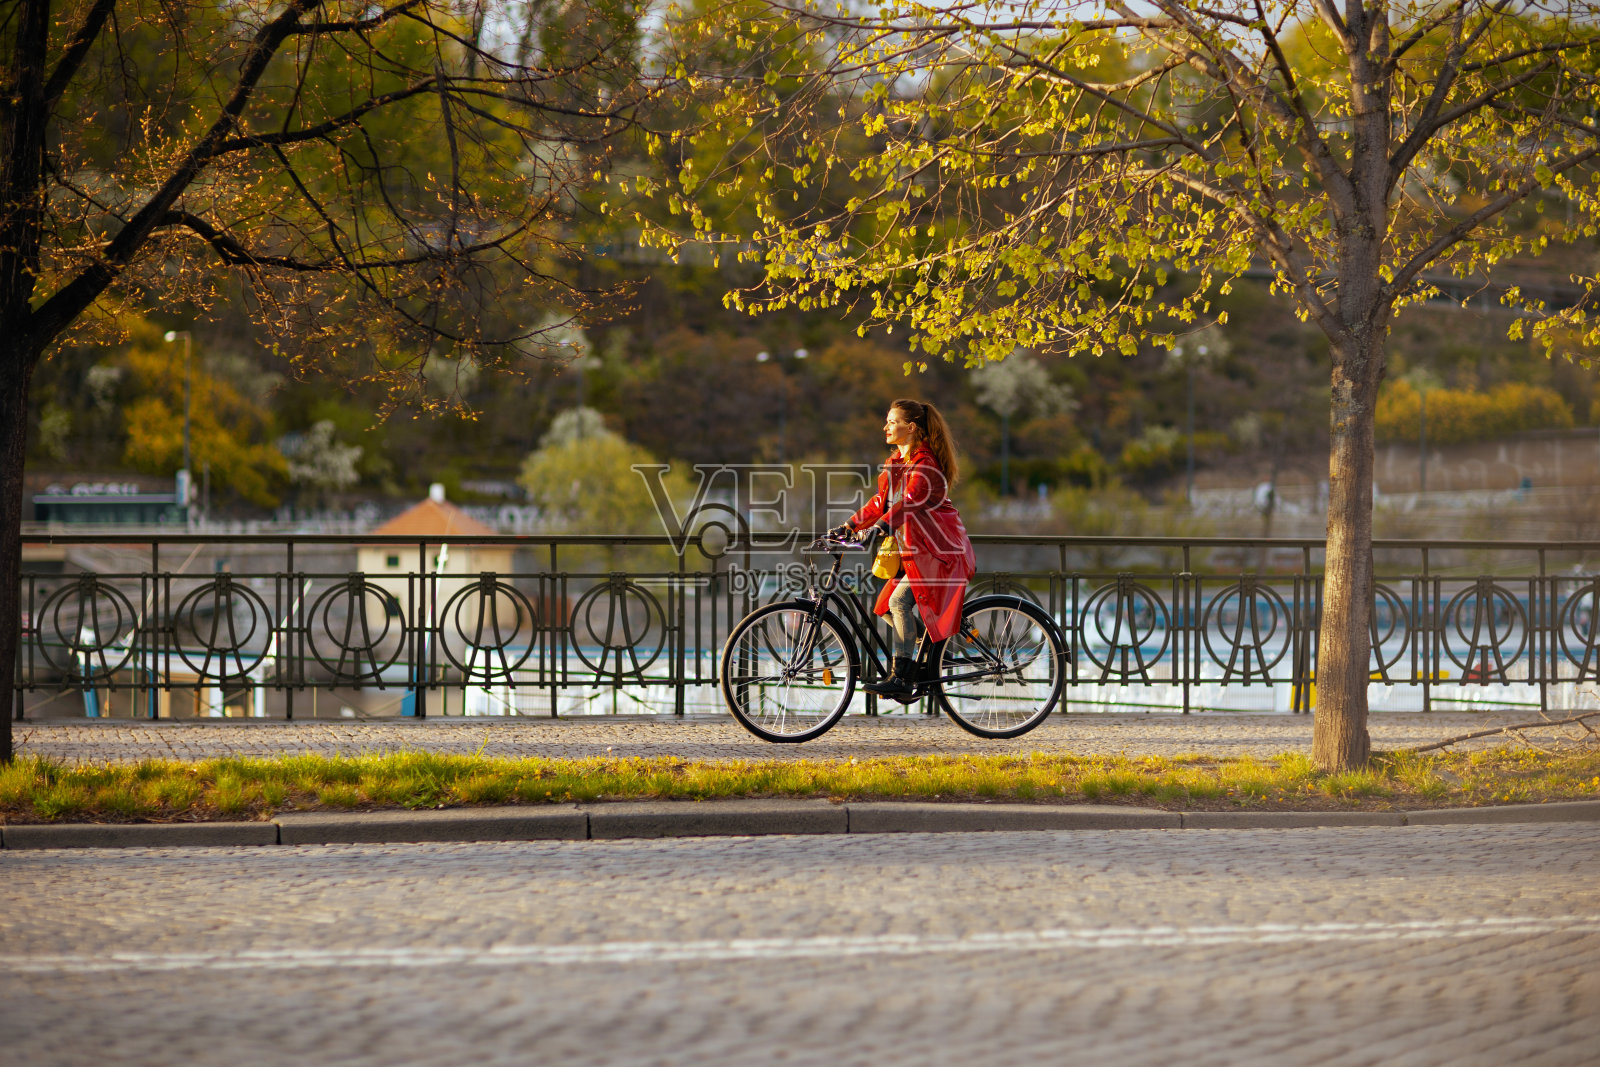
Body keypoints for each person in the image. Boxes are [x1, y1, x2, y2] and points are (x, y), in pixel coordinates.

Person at [832, 399, 976, 701]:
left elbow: (907, 504)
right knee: (884, 606)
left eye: (892, 422)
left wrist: (879, 529)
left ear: (910, 427)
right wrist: (849, 527)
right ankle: (927, 654)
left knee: (899, 602)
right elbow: (880, 503)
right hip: (918, 554)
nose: (885, 427)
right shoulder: (898, 463)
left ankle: (901, 676)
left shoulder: (925, 465)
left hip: (940, 555)